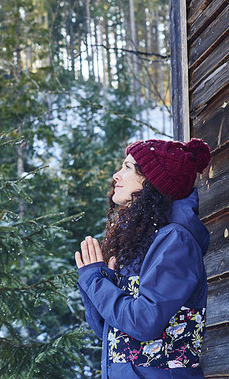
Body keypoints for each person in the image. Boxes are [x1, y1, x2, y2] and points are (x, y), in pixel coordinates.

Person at [75, 138, 212, 378]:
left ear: (151, 182)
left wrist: (95, 283)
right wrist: (99, 279)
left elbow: (144, 322)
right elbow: (106, 329)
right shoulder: (140, 242)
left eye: (127, 168)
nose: (116, 176)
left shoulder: (176, 241)